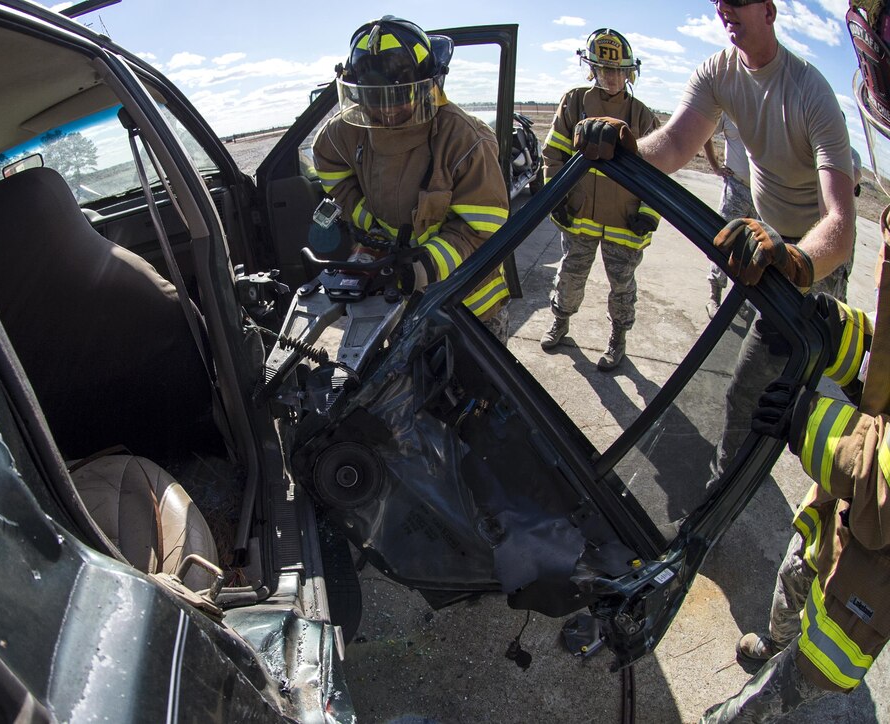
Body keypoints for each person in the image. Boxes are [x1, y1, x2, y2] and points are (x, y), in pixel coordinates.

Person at [697, 5, 890, 718]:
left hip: (876, 544)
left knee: (829, 645)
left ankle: (773, 696)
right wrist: (826, 326)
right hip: (856, 475)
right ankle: (777, 645)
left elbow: (886, 488)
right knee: (808, 550)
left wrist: (809, 428)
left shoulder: (809, 94)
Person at [572, 0, 856, 482]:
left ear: (769, 10)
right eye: (719, 0)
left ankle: (826, 488)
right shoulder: (717, 72)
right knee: (745, 386)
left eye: (739, 0)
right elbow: (677, 145)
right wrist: (631, 150)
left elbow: (842, 223)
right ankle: (725, 484)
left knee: (803, 395)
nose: (725, 8)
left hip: (811, 257)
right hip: (764, 246)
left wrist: (797, 262)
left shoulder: (811, 93)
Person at [311, 16, 511, 340]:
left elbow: (483, 229)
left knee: (476, 389)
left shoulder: (466, 139)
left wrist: (420, 269)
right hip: (399, 300)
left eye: (399, 97)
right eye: (375, 99)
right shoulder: (346, 131)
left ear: (430, 84)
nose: (388, 111)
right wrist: (370, 226)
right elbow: (330, 169)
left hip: (469, 304)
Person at [540, 29, 660, 371]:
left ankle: (618, 340)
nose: (610, 77)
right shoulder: (574, 102)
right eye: (603, 69)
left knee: (622, 286)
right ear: (591, 69)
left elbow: (659, 173)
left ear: (629, 72)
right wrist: (556, 196)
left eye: (617, 70)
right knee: (570, 276)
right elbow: (553, 155)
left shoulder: (641, 116)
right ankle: (560, 323)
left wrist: (649, 215)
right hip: (578, 218)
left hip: (624, 224)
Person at [703, 114, 757, 319]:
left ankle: (739, 299)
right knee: (724, 241)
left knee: (751, 250)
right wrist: (716, 166)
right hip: (736, 188)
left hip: (762, 196)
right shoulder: (729, 110)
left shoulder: (766, 110)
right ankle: (714, 296)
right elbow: (705, 133)